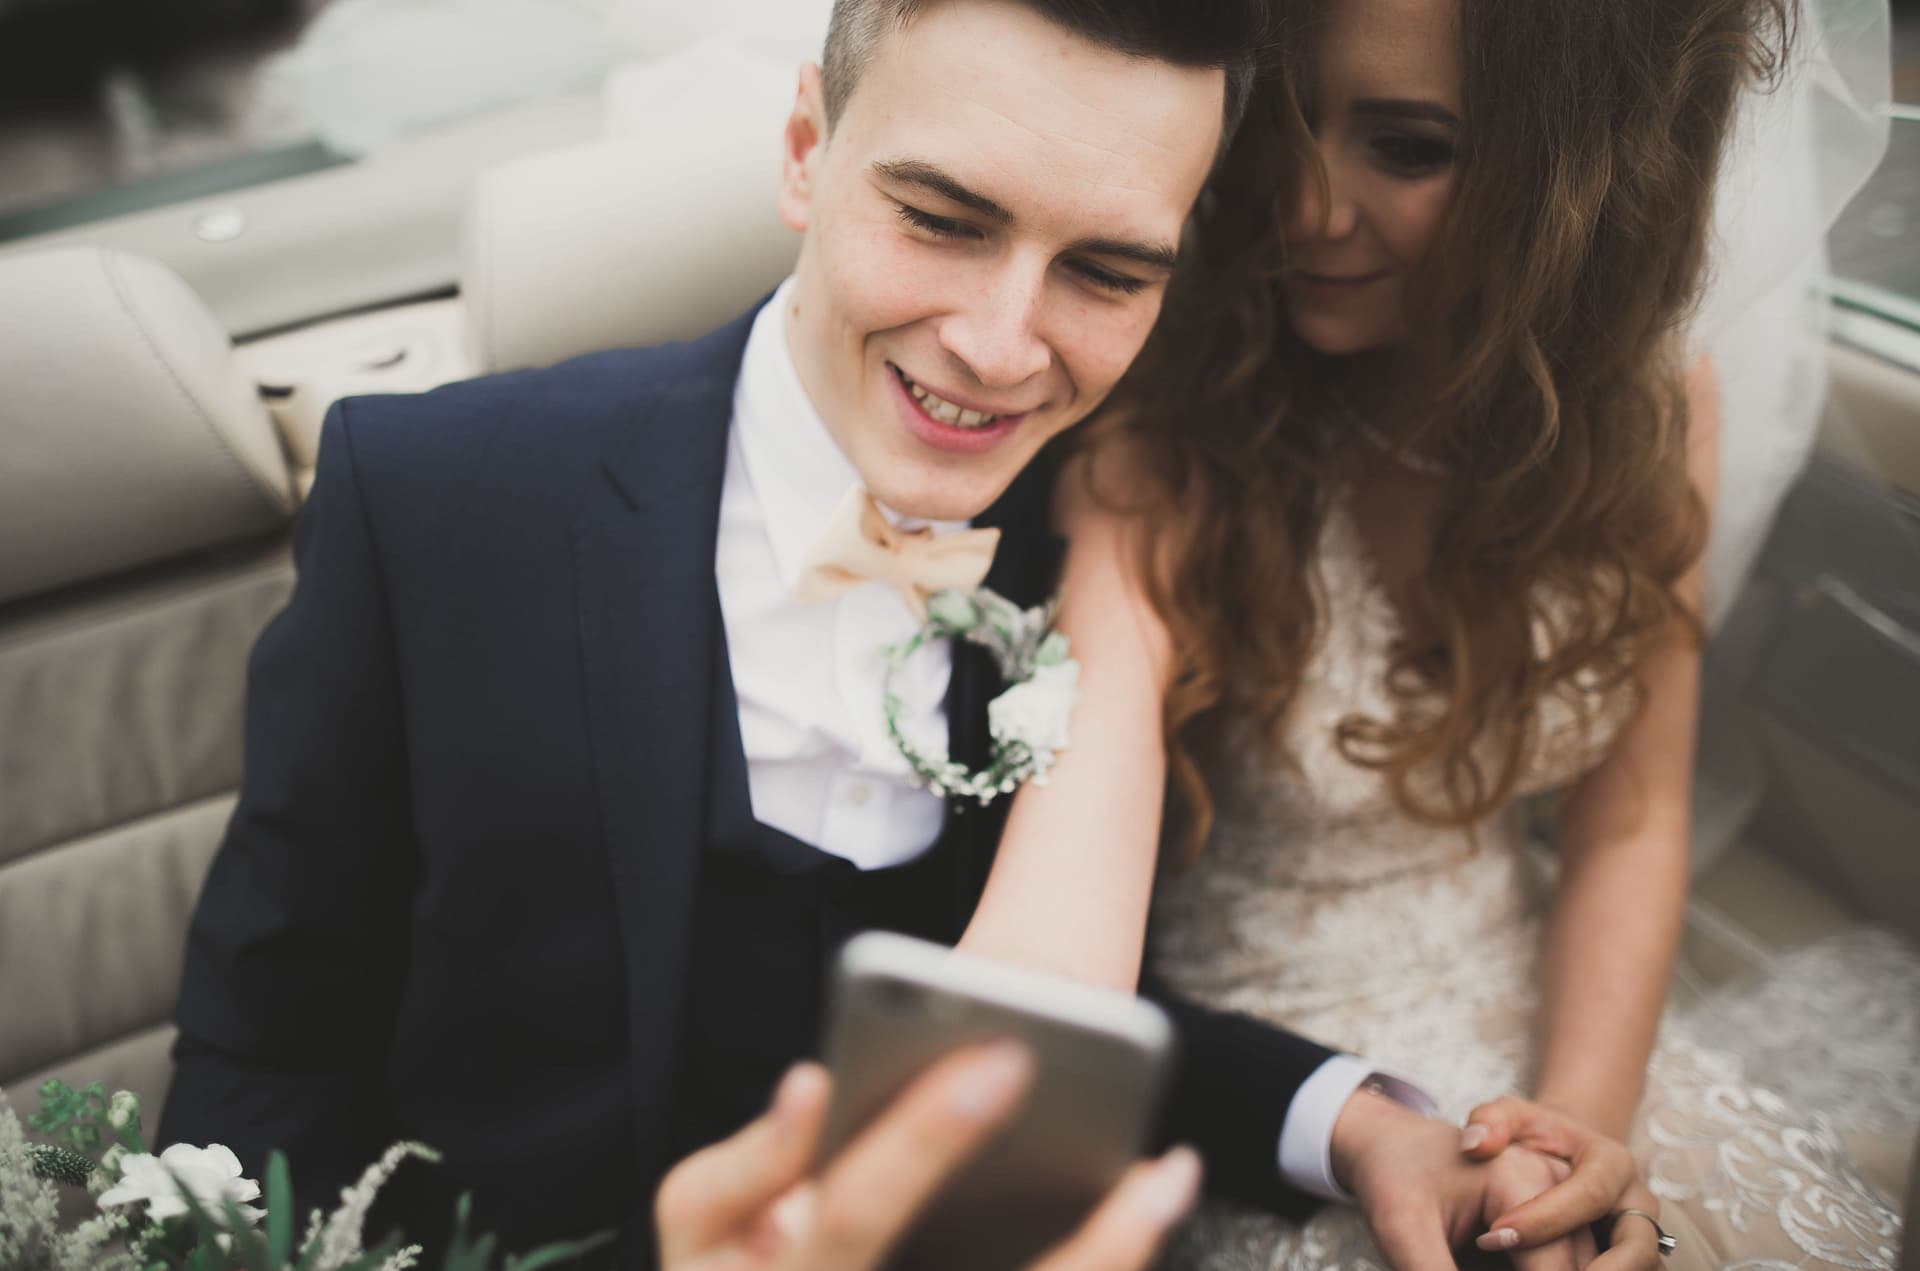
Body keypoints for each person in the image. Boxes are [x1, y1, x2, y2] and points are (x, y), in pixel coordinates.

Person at [158, 2, 1660, 1267]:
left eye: (1108, 271)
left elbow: (1060, 1028)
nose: (1003, 348)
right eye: (944, 220)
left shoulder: (1121, 536)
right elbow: (268, 1043)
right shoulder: (436, 496)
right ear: (808, 151)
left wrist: (1363, 1121)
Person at [1052, 0, 1920, 1264]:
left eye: (1405, 148)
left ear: (1567, 170)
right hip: (1272, 1065)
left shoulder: (1655, 406)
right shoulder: (1167, 418)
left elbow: (1629, 815)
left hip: (1549, 1015)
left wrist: (1573, 1138)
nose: (1306, 208)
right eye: (1285, 119)